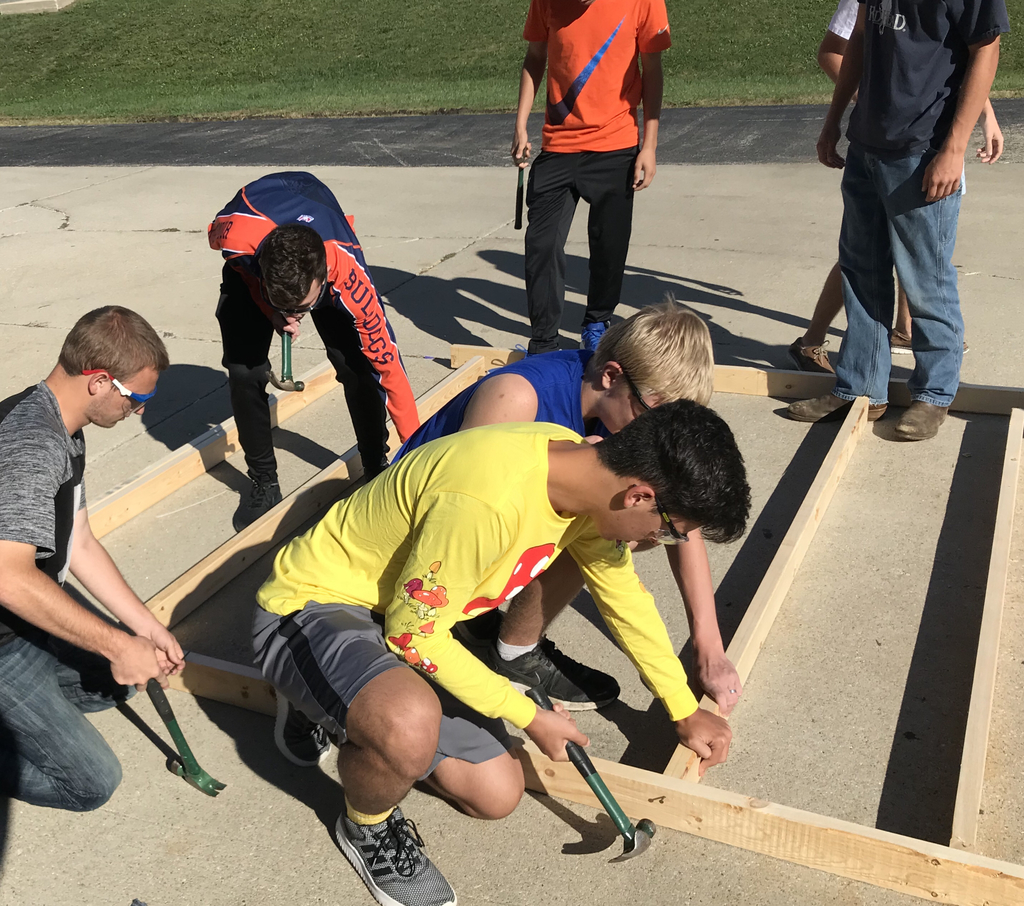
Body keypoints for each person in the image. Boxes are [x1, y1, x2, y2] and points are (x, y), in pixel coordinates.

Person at [253, 401, 750, 906]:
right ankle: (366, 827)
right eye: (668, 529)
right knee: (406, 723)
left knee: (496, 794)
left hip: (404, 610)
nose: (659, 540)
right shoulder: (488, 500)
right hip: (314, 604)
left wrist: (682, 709)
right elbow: (413, 637)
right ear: (639, 495)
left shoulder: (581, 478)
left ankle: (340, 699)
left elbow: (626, 600)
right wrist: (528, 714)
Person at [395, 299, 744, 717]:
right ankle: (485, 638)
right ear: (613, 375)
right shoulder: (516, 398)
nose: (655, 436)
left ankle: (510, 646)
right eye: (652, 418)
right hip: (422, 541)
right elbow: (466, 514)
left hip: (478, 530)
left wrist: (709, 648)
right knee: (602, 517)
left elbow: (681, 510)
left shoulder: (617, 398)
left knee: (625, 520)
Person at [788, 0, 1009, 440]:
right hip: (868, 142)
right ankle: (860, 388)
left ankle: (934, 394)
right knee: (860, 271)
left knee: (926, 279)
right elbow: (860, 41)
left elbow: (987, 49)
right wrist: (834, 120)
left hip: (923, 148)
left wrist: (954, 148)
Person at [0, 306, 184, 812]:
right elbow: (7, 578)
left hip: (23, 622)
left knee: (124, 680)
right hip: (2, 640)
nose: (141, 411)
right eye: (137, 398)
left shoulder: (65, 426)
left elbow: (78, 540)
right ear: (100, 381)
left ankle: (28, 713)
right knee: (90, 784)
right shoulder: (32, 443)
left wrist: (143, 628)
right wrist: (116, 644)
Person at [209, 171, 419, 530]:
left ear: (324, 279)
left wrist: (417, 454)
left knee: (357, 365)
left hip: (318, 213)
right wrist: (269, 309)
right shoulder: (232, 238)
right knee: (245, 372)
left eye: (303, 306)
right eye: (287, 306)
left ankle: (375, 466)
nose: (296, 316)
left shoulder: (346, 268)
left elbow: (388, 366)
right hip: (259, 230)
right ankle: (264, 479)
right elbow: (241, 271)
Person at [512, 0, 670, 355]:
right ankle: (543, 343)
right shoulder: (547, 2)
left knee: (608, 246)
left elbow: (653, 70)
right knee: (542, 245)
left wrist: (650, 146)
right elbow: (535, 56)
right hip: (558, 145)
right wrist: (520, 125)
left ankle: (597, 323)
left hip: (616, 146)